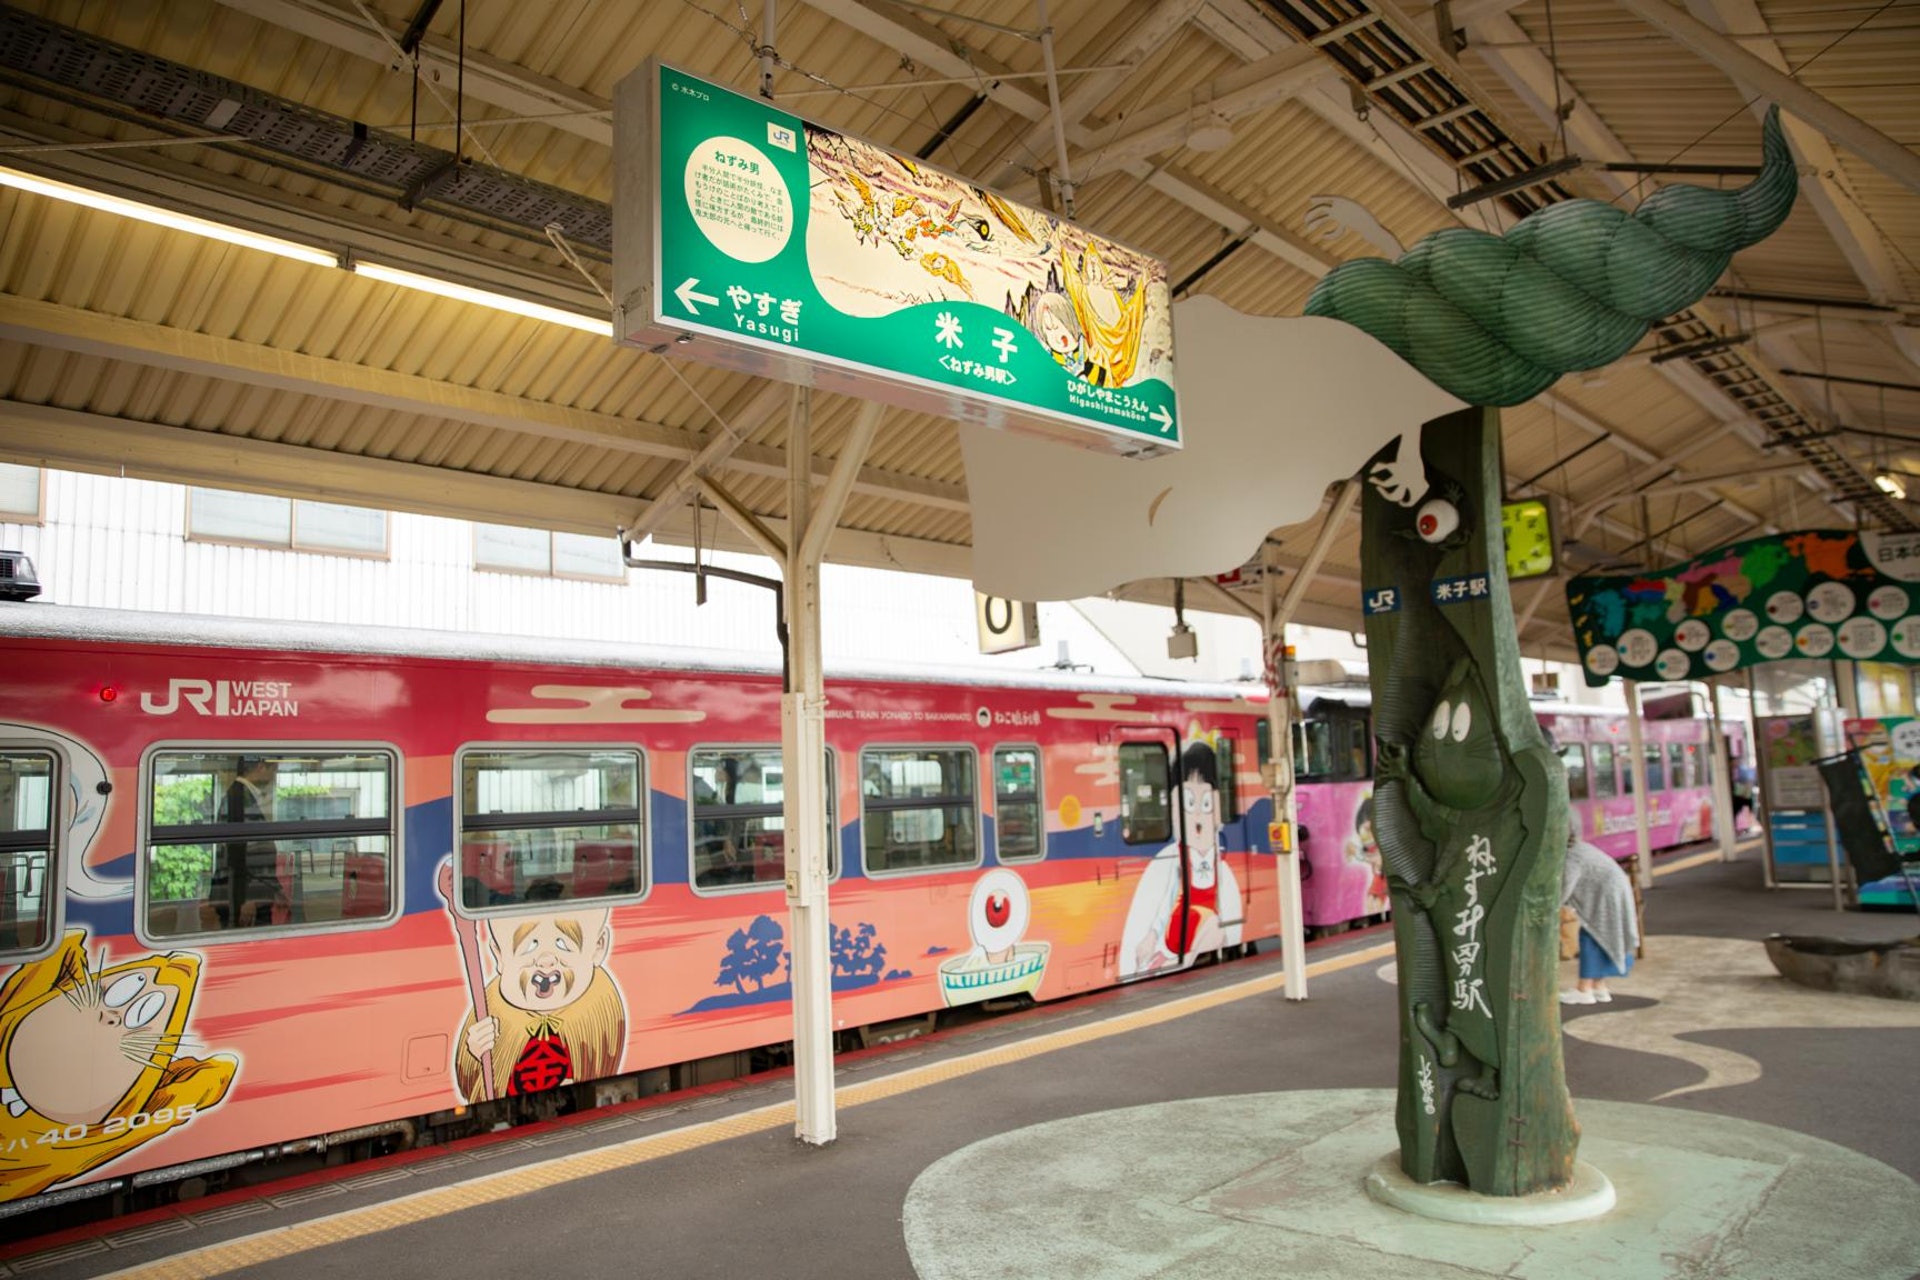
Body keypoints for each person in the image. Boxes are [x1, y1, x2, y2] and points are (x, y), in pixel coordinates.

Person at [1560, 830, 1638, 1005]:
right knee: (1604, 936)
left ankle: (1584, 989)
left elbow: (1566, 886)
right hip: (1614, 891)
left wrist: (1552, 905)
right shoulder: (1578, 848)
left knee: (1591, 936)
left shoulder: (1571, 856)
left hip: (1606, 896)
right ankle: (1599, 986)